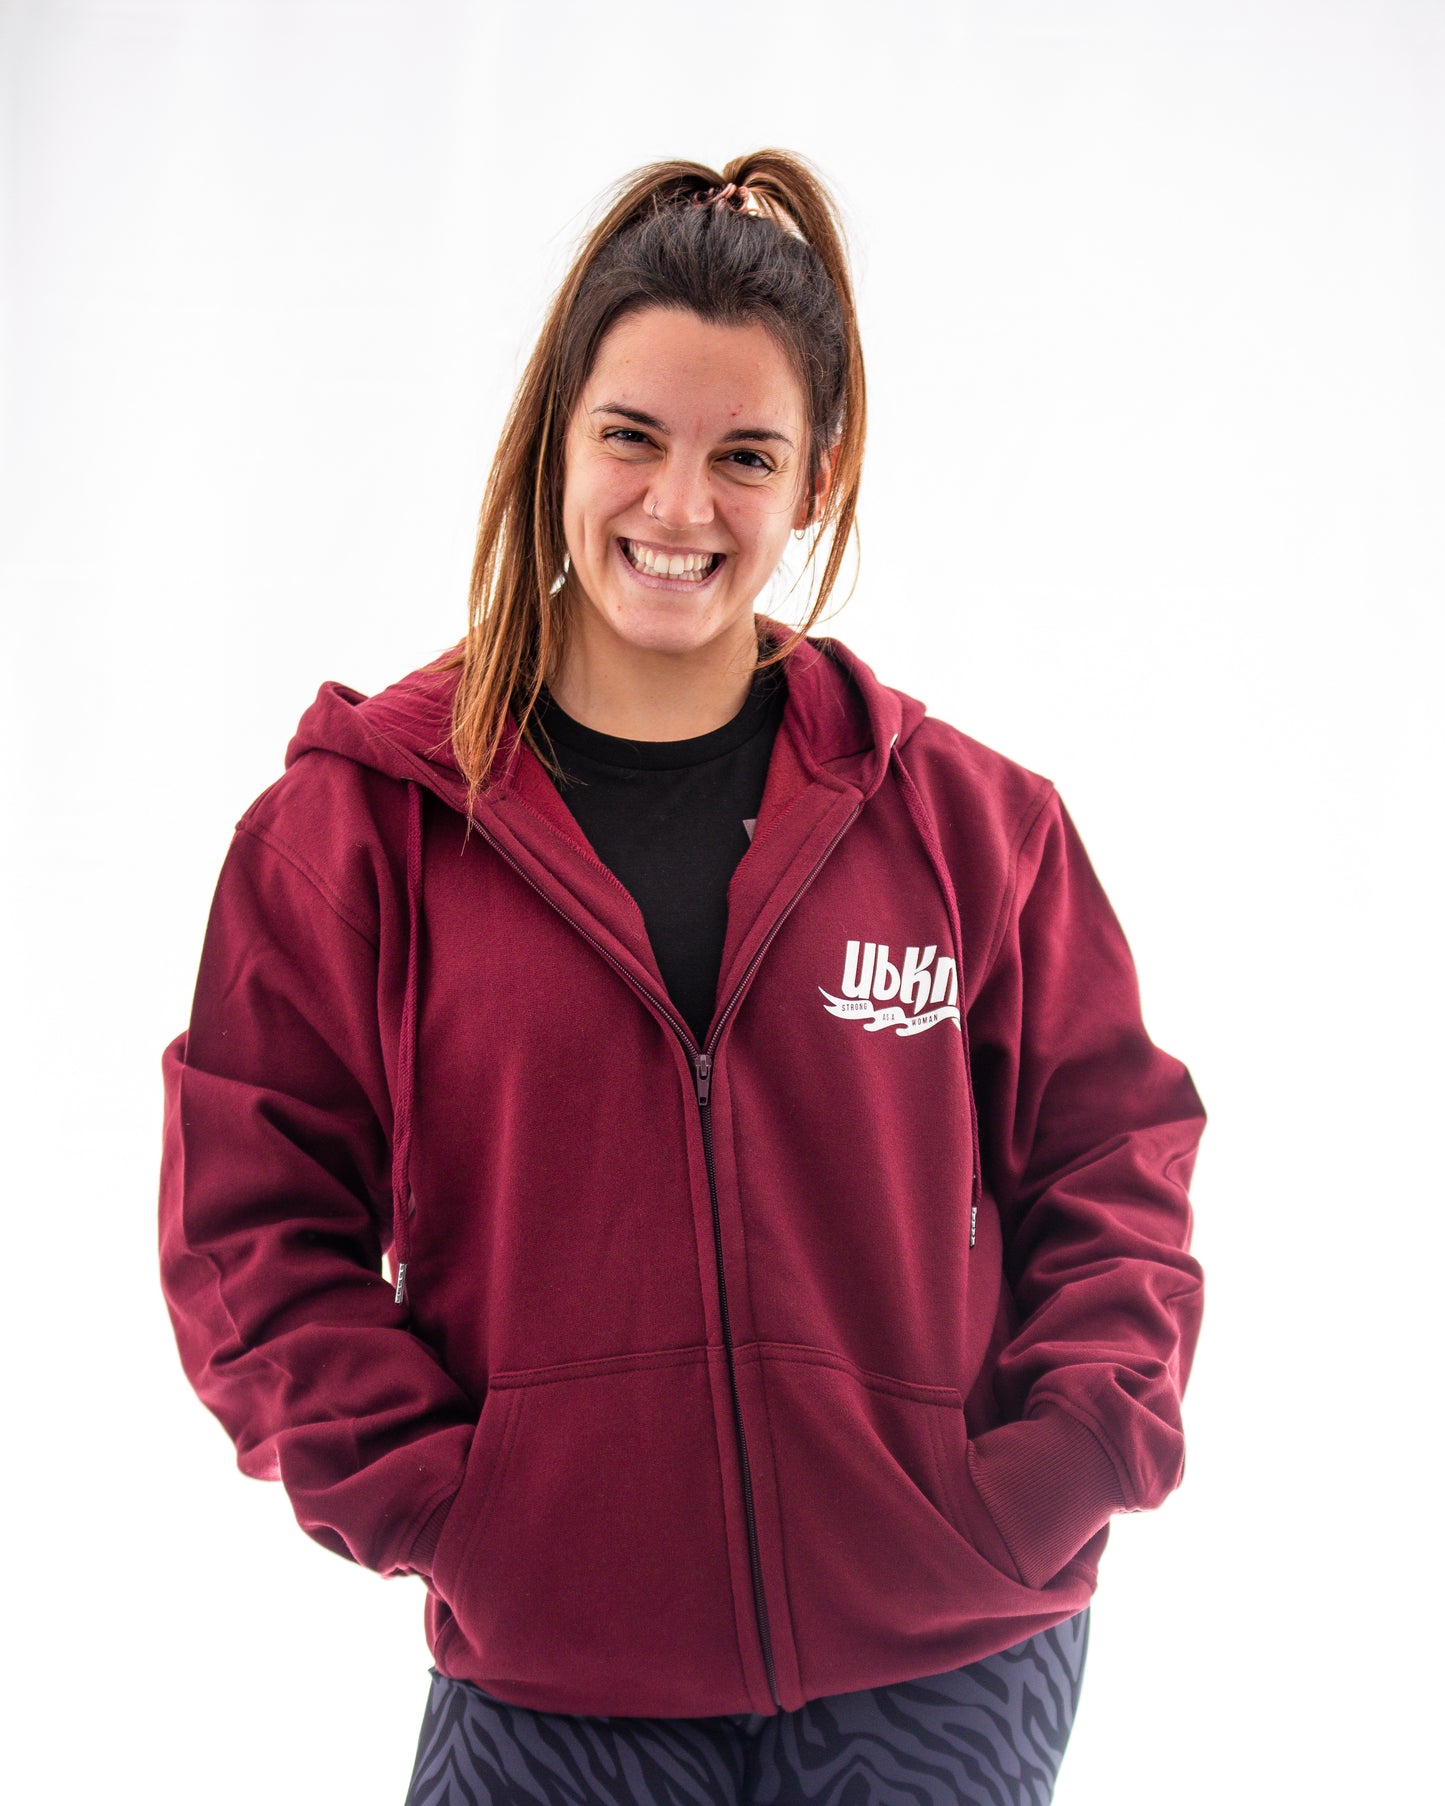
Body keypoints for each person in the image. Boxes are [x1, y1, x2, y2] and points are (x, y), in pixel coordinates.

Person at [159, 151, 1206, 1806]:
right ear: (556, 439)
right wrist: (456, 1507)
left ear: (816, 478)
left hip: (942, 1652)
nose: (679, 507)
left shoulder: (967, 824)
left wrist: (1065, 1455)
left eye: (745, 456)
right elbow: (249, 1227)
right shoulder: (356, 835)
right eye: (632, 438)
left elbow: (1110, 1159)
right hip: (564, 1660)